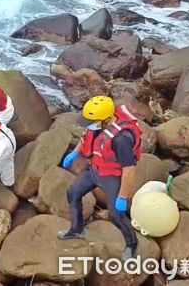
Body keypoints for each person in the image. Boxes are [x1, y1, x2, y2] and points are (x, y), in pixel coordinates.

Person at [58, 95, 141, 261]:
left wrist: (123, 196)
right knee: (73, 193)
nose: (89, 124)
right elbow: (86, 138)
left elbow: (129, 170)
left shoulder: (121, 139)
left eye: (92, 121)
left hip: (112, 177)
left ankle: (132, 245)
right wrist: (74, 153)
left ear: (106, 119)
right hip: (95, 170)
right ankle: (76, 229)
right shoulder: (96, 125)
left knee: (116, 215)